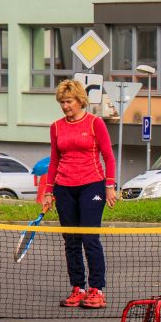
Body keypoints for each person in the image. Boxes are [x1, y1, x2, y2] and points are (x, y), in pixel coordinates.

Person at [38, 79, 117, 309]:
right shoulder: (56, 127)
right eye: (62, 102)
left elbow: (108, 156)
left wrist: (110, 186)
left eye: (69, 101)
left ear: (80, 100)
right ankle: (78, 288)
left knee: (89, 238)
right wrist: (48, 192)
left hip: (92, 185)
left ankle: (96, 290)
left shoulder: (95, 123)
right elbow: (54, 161)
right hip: (64, 188)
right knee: (71, 240)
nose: (65, 106)